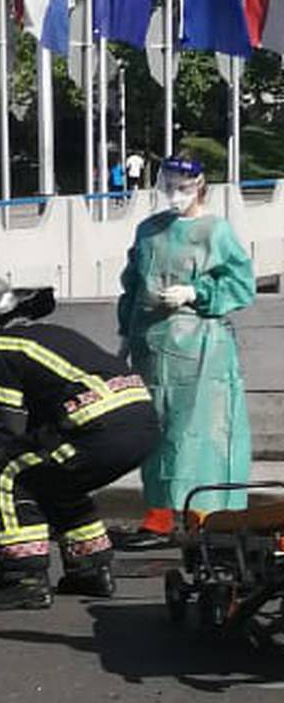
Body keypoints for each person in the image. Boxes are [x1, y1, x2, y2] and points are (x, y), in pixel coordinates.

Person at [0, 274, 159, 611]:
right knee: (54, 478)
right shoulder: (50, 335)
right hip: (141, 426)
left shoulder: (2, 349)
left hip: (98, 430)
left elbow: (9, 430)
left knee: (8, 470)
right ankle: (90, 569)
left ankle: (23, 579)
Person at [115, 156, 255, 550]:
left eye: (183, 187)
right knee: (155, 432)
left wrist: (196, 293)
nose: (174, 195)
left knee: (198, 435)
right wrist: (125, 334)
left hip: (201, 351)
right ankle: (158, 517)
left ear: (200, 186)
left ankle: (204, 518)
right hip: (151, 347)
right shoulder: (149, 231)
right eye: (169, 186)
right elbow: (132, 287)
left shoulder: (215, 231)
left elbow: (241, 285)